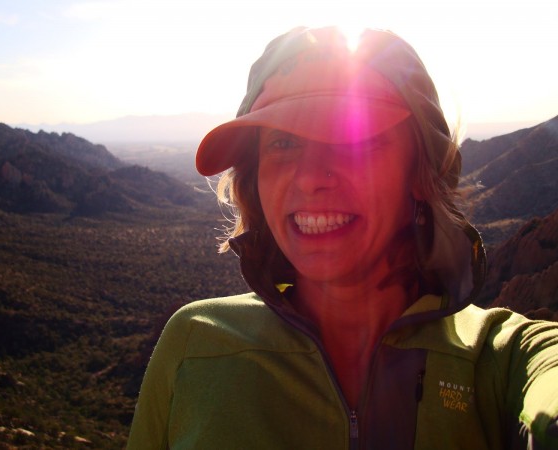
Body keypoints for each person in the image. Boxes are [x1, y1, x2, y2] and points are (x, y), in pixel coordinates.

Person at [127, 26, 558, 449]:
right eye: (283, 142)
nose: (312, 176)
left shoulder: (501, 359)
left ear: (419, 171)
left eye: (356, 137)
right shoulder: (195, 346)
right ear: (254, 176)